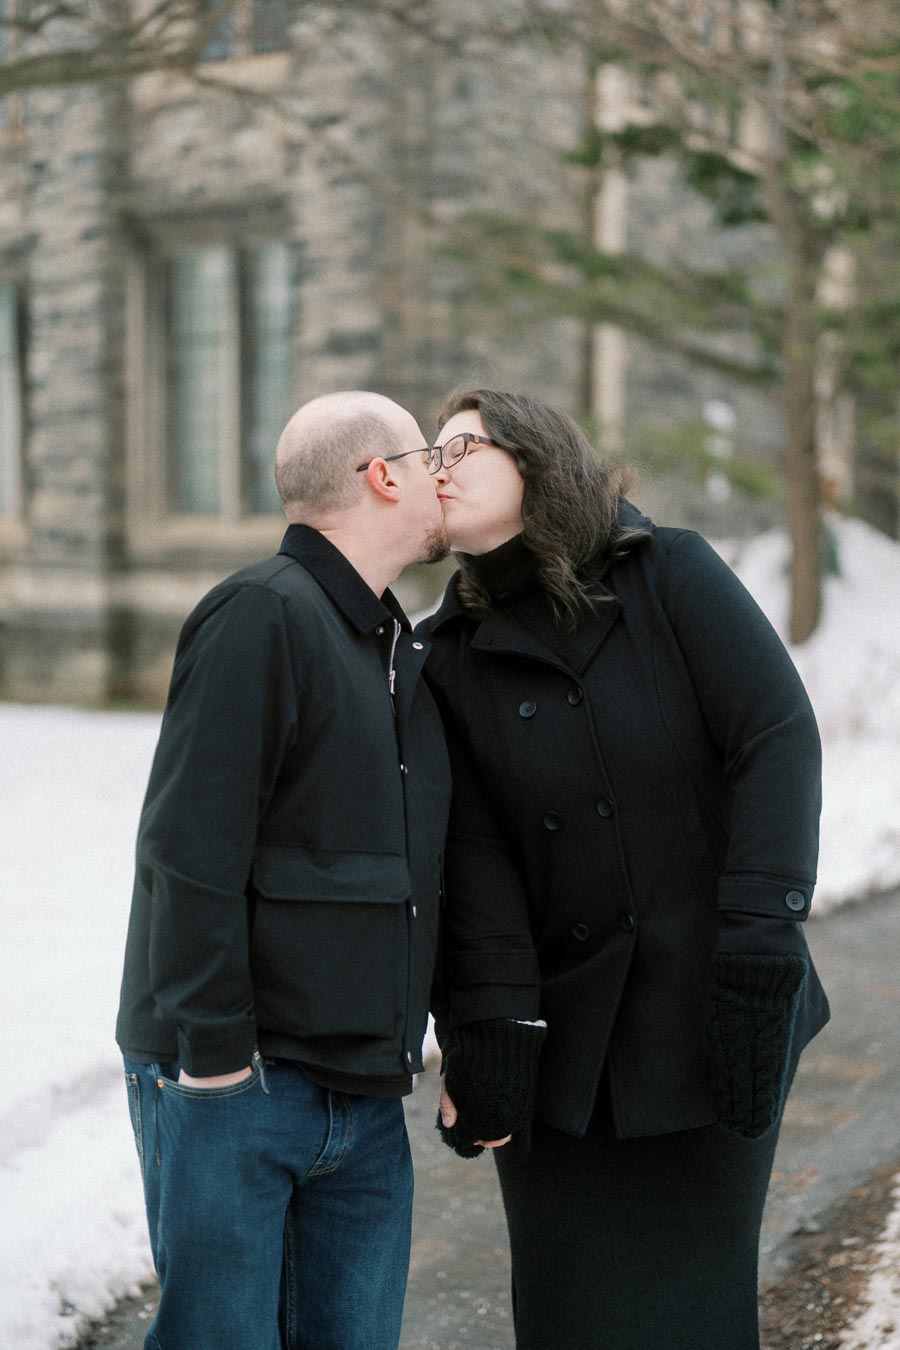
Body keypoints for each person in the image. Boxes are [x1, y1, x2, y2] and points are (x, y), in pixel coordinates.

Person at [416, 388, 830, 1350]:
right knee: (570, 1318)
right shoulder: (450, 656)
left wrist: (762, 940)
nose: (438, 467)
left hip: (711, 1016)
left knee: (695, 1313)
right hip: (566, 1055)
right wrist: (489, 1030)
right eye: (427, 453)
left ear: (538, 457)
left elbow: (774, 737)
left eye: (461, 446)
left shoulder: (667, 573)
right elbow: (476, 866)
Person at [116, 390, 452, 1350]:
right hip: (242, 1082)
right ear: (383, 476)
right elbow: (187, 848)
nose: (444, 474)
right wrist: (217, 1061)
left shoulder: (389, 641)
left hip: (362, 1090)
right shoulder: (259, 614)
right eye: (431, 457)